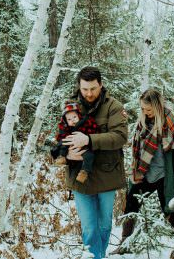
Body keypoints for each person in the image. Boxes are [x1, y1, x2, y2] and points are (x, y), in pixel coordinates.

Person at [111, 89, 174, 255]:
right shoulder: (142, 123)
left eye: (149, 110)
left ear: (158, 106)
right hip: (144, 174)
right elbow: (138, 150)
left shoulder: (173, 124)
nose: (146, 113)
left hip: (165, 176)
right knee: (130, 206)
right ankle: (125, 245)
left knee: (171, 211)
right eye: (143, 109)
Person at [61, 66, 128, 259]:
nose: (89, 93)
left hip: (107, 174)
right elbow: (58, 137)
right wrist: (66, 155)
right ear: (79, 87)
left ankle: (99, 255)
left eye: (93, 88)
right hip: (80, 177)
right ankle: (95, 257)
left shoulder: (114, 106)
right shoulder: (70, 107)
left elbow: (120, 136)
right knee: (90, 227)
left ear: (101, 85)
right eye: (85, 89)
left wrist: (89, 140)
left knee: (105, 225)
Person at [51, 101, 100, 183]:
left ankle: (84, 172)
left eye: (74, 117)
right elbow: (61, 140)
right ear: (66, 121)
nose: (72, 120)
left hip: (84, 146)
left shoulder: (86, 123)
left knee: (89, 156)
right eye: (69, 119)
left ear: (79, 116)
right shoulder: (66, 128)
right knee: (64, 144)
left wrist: (88, 139)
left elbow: (94, 131)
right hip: (71, 147)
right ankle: (62, 157)